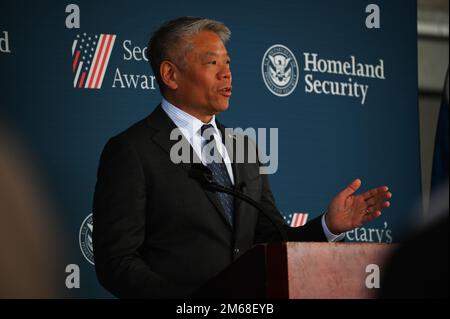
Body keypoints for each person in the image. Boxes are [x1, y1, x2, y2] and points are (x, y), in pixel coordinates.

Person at [92, 16, 391, 299]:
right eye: (212, 63)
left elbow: (272, 242)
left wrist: (329, 226)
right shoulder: (133, 150)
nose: (226, 73)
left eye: (228, 63)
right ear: (170, 74)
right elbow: (116, 262)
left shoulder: (243, 148)